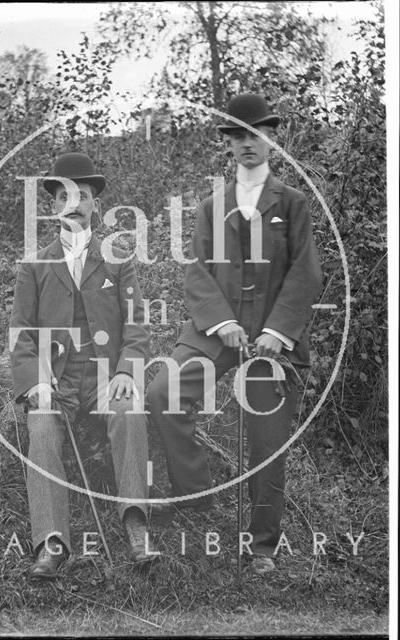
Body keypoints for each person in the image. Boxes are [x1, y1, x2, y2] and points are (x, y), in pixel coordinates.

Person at [147, 94, 322, 575]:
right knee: (164, 391)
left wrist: (277, 332)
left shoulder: (293, 202)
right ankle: (194, 495)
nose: (248, 143)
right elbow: (197, 271)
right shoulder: (212, 206)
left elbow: (306, 275)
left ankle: (262, 545)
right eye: (238, 135)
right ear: (227, 142)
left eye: (257, 134)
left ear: (271, 139)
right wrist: (221, 322)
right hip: (216, 331)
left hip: (272, 339)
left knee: (267, 439)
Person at [10, 152, 157, 579]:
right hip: (57, 378)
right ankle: (52, 543)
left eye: (83, 196)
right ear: (54, 206)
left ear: (95, 205)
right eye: (64, 196)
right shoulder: (34, 265)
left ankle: (135, 524)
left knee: (129, 412)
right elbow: (21, 332)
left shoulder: (118, 258)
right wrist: (35, 381)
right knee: (41, 425)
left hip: (106, 374)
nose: (73, 203)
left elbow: (136, 321)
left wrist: (129, 370)